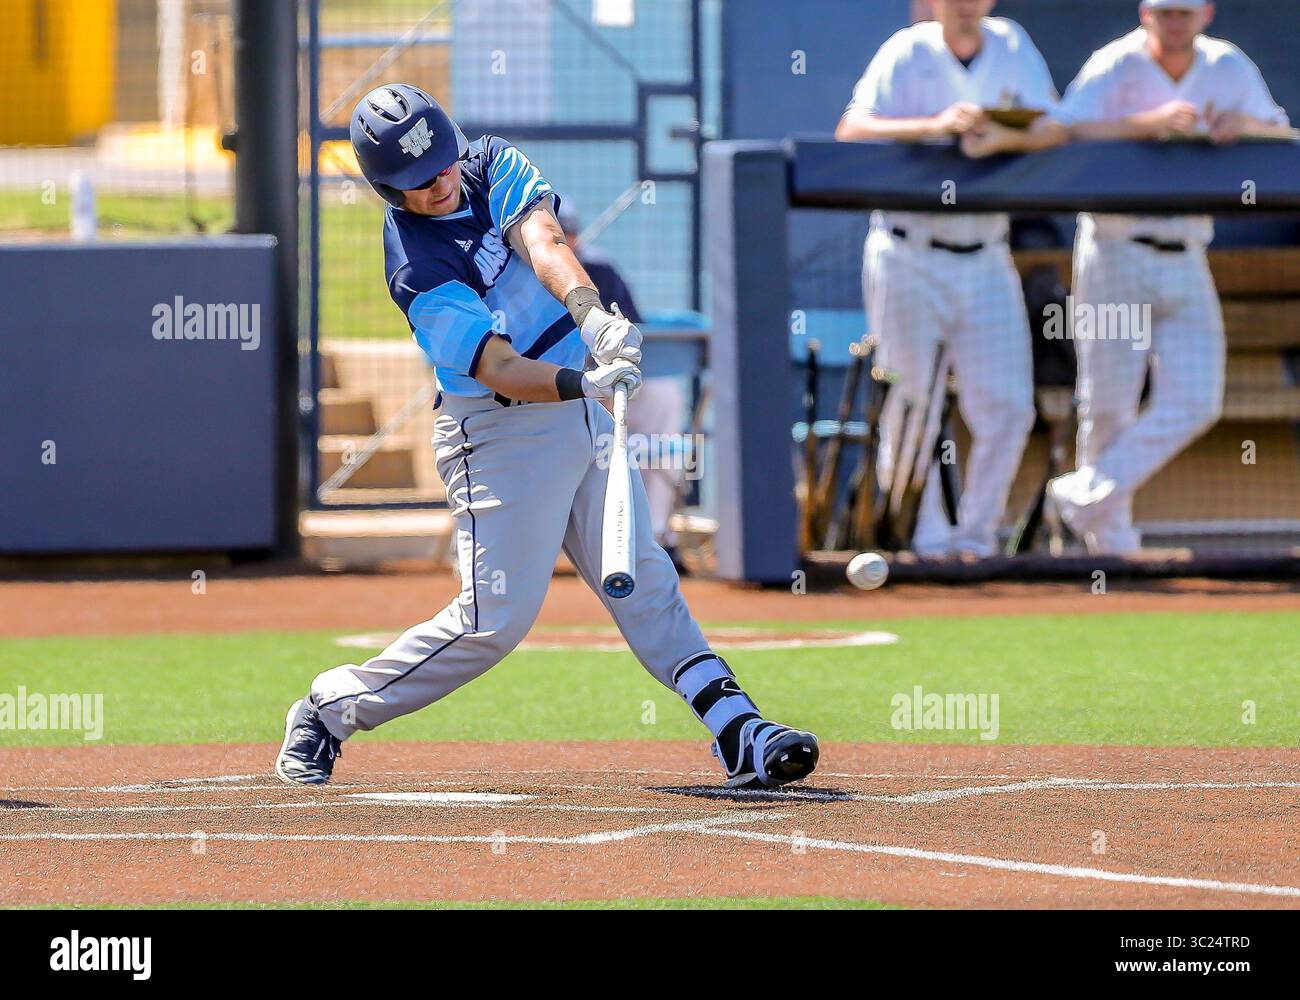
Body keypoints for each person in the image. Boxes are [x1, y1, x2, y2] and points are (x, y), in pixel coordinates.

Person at [275, 84, 818, 789]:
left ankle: (738, 729)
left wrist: (589, 316)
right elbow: (497, 367)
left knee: (644, 579)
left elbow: (542, 239)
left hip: (576, 408)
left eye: (442, 164)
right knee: (491, 621)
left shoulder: (489, 161)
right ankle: (330, 708)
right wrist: (581, 383)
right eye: (418, 180)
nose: (440, 183)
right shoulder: (417, 264)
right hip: (497, 436)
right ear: (386, 189)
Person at [1044, 0, 1291, 554]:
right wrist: (1145, 125)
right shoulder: (1115, 63)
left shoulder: (1227, 64)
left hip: (1185, 252)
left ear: (1205, 14)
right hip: (1114, 250)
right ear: (1145, 13)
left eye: (1184, 11)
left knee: (1198, 400)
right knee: (1108, 402)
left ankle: (1085, 494)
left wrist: (1243, 124)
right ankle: (1109, 544)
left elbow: (1280, 132)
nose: (1173, 21)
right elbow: (1063, 129)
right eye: (1164, 11)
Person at [836, 0, 1065, 558]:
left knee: (1009, 406)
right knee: (912, 402)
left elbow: (1057, 127)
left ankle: (978, 537)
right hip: (909, 249)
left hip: (986, 250)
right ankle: (924, 537)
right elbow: (851, 131)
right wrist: (934, 127)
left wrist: (1005, 139)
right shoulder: (907, 49)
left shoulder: (1011, 43)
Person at [557, 204, 690, 572]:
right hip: (547, 386)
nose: (564, 240)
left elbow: (633, 337)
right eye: (555, 231)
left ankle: (656, 536)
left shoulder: (599, 270)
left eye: (567, 231)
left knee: (665, 396)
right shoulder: (514, 274)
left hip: (603, 381)